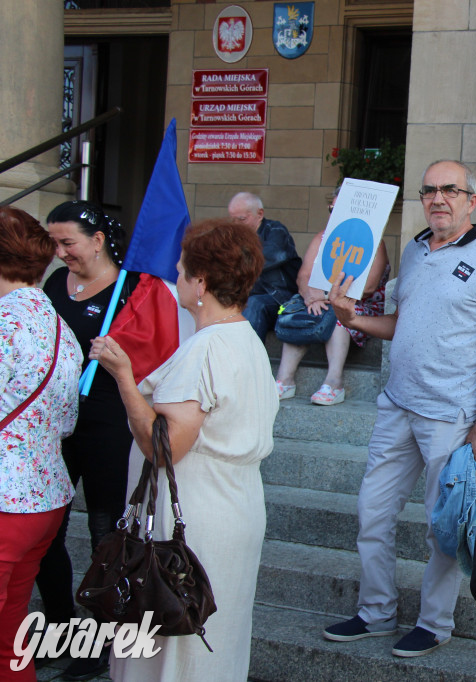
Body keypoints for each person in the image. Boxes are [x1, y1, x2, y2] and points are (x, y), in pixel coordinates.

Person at [322, 160, 476, 657]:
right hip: (397, 404)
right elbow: (400, 323)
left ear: (472, 200)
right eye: (429, 190)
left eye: (450, 190)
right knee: (372, 513)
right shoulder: (412, 250)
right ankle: (376, 612)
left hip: (449, 416)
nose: (437, 198)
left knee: (441, 526)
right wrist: (354, 318)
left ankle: (434, 623)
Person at [92, 218, 279, 682]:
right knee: (214, 636)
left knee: (175, 643)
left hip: (195, 513)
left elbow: (163, 448)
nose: (175, 278)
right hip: (231, 504)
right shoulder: (247, 340)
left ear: (201, 282)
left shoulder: (207, 348)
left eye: (180, 271)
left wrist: (123, 376)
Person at [32, 200, 135, 679]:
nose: (59, 252)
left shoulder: (133, 288)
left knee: (104, 532)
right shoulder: (55, 283)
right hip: (57, 422)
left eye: (66, 242)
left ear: (97, 240)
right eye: (54, 243)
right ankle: (60, 626)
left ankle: (101, 641)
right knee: (43, 530)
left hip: (108, 422)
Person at [0, 206, 82, 682]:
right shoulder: (60, 329)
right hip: (44, 496)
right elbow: (67, 422)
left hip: (7, 499)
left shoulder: (6, 324)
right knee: (10, 631)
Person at [273, 188, 390, 405]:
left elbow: (370, 286)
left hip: (359, 304)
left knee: (339, 314)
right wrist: (310, 296)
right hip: (320, 301)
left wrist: (328, 296)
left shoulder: (374, 242)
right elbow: (304, 276)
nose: (333, 214)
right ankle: (284, 380)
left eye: (339, 209)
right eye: (331, 209)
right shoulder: (322, 237)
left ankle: (334, 382)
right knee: (303, 310)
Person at [228, 191, 301, 341]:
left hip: (281, 301)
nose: (236, 225)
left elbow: (269, 256)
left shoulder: (276, 231)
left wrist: (232, 260)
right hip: (243, 300)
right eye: (233, 220)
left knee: (255, 303)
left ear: (260, 214)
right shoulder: (232, 238)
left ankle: (246, 358)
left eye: (241, 219)